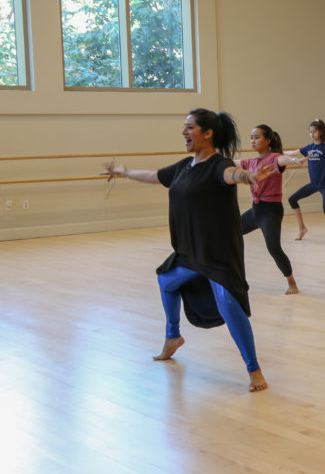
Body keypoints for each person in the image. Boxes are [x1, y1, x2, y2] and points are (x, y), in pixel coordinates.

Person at [103, 108, 274, 392]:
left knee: (230, 305)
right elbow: (154, 175)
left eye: (189, 127)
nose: (184, 132)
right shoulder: (184, 167)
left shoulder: (218, 164)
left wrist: (250, 177)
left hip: (217, 253)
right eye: (184, 127)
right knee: (166, 280)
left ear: (208, 133)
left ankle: (254, 369)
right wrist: (125, 172)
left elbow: (233, 174)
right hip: (190, 250)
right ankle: (173, 337)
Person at [240, 124, 303, 295]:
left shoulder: (274, 157)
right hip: (256, 210)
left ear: (268, 140)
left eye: (257, 137)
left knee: (273, 247)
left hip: (271, 211)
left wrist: (294, 160)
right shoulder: (251, 162)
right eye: (251, 137)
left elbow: (283, 160)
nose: (253, 140)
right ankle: (236, 276)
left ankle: (292, 283)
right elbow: (233, 163)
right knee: (231, 231)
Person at [287, 119, 325, 243]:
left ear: (320, 132)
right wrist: (277, 152)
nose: (312, 134)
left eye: (314, 131)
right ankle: (302, 228)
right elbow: (292, 152)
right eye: (310, 132)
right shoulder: (308, 148)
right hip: (313, 184)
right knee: (292, 199)